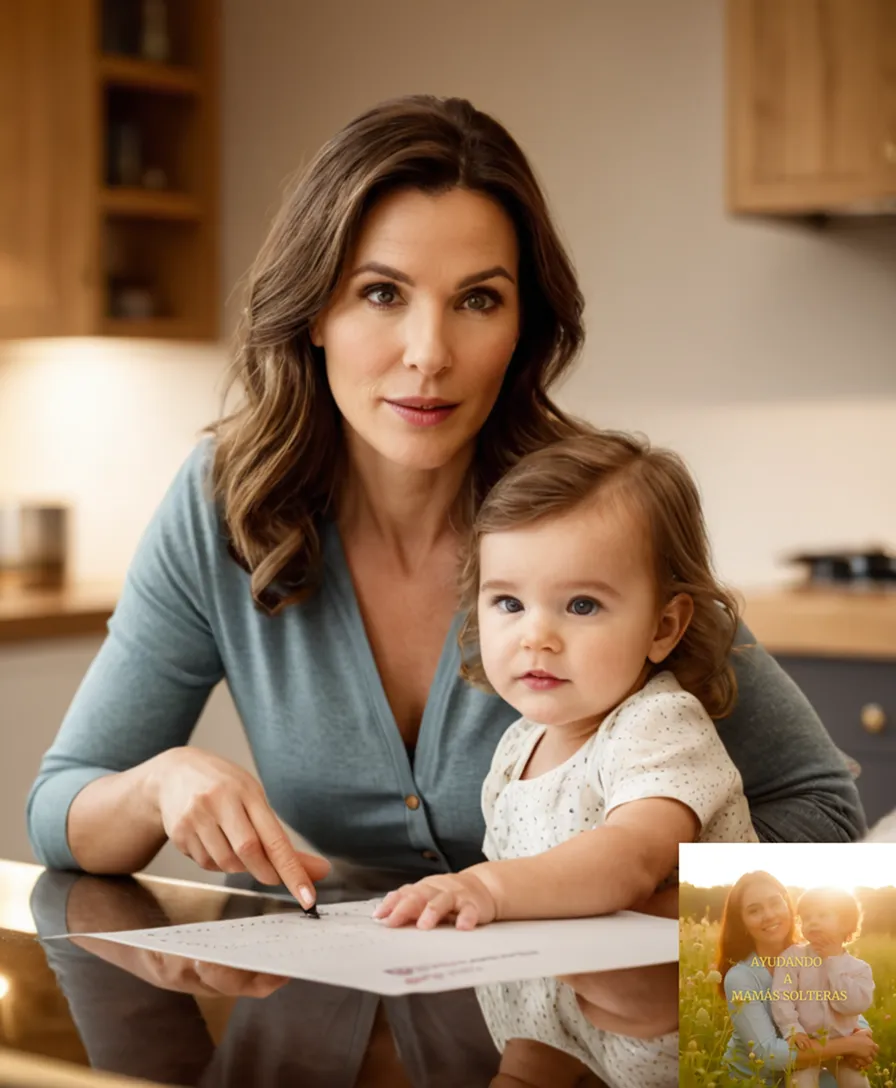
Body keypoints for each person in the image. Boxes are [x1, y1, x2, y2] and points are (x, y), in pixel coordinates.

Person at [26, 94, 863, 1051]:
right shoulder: (224, 504)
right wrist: (158, 785)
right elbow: (59, 805)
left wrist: (629, 892)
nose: (429, 355)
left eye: (478, 299)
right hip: (319, 1026)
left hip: (570, 1046)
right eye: (382, 293)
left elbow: (823, 814)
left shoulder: (597, 518)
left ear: (522, 326)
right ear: (315, 311)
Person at [372, 430, 758, 1086]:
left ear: (663, 626)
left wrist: (487, 888)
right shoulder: (518, 745)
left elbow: (630, 859)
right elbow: (542, 979)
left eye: (582, 605)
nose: (537, 636)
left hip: (696, 1056)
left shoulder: (658, 723)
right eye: (509, 602)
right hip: (560, 1035)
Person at [717, 872, 878, 1085]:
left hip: (811, 1063)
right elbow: (768, 1054)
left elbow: (841, 1005)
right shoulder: (741, 977)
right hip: (757, 1080)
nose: (769, 915)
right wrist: (850, 1045)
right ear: (742, 923)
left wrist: (862, 1033)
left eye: (775, 903)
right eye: (754, 910)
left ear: (788, 906)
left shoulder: (816, 953)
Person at [771, 887, 874, 1088]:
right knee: (800, 1084)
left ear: (846, 923)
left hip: (844, 1048)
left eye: (822, 915)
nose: (813, 922)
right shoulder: (792, 957)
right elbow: (781, 997)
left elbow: (853, 1006)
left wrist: (833, 962)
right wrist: (792, 1030)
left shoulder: (859, 969)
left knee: (858, 1083)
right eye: (806, 918)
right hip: (807, 1044)